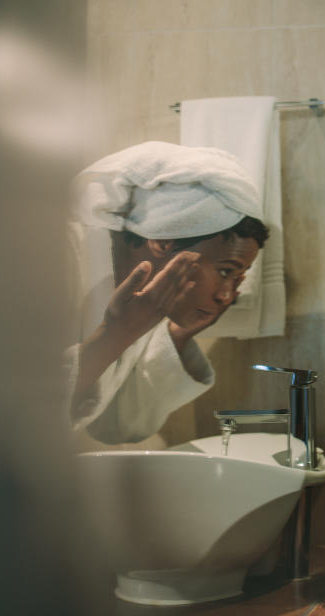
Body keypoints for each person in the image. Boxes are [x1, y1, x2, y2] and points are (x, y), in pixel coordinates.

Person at [66, 141, 268, 443]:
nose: (227, 296)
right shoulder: (55, 256)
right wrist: (116, 334)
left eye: (239, 278)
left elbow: (117, 424)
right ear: (163, 241)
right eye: (226, 270)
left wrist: (176, 335)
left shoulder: (148, 298)